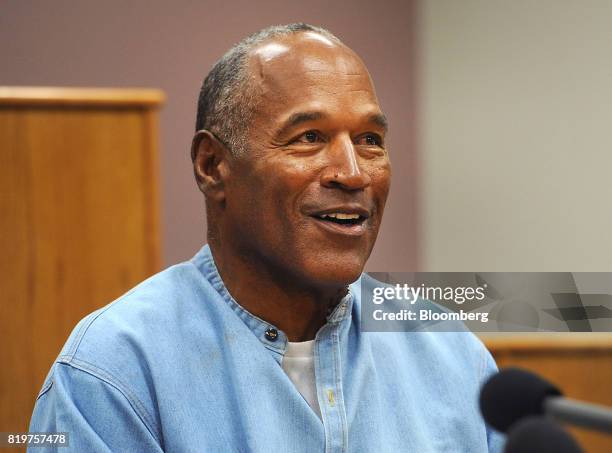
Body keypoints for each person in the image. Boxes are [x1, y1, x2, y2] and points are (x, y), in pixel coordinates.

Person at [29, 24, 503, 452]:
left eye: (370, 141)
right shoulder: (114, 371)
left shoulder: (449, 353)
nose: (353, 173)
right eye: (310, 137)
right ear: (213, 166)